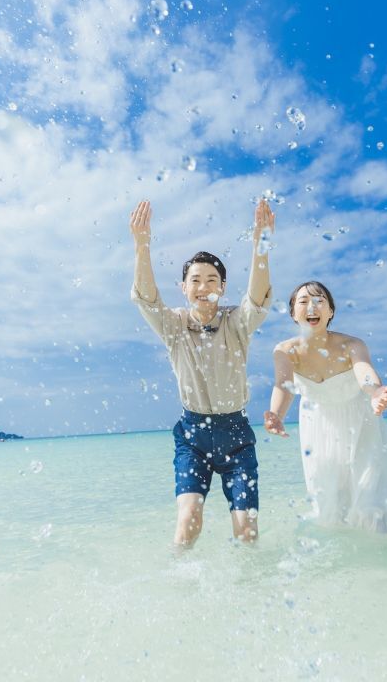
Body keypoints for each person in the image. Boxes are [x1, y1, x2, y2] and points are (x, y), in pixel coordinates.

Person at [129, 198, 275, 547]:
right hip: (192, 437)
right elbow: (147, 298)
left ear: (223, 288)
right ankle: (178, 590)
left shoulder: (237, 324)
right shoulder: (173, 326)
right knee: (189, 520)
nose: (204, 286)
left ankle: (249, 587)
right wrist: (141, 244)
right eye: (195, 280)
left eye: (212, 280)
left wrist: (262, 242)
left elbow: (257, 297)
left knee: (247, 530)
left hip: (237, 437)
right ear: (184, 288)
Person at [263, 280, 387, 534]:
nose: (312, 306)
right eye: (304, 301)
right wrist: (276, 415)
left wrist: (375, 392)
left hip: (361, 423)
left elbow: (364, 371)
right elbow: (283, 385)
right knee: (331, 505)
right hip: (319, 427)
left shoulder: (352, 345)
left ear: (330, 311)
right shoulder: (286, 351)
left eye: (320, 301)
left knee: (372, 498)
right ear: (292, 312)